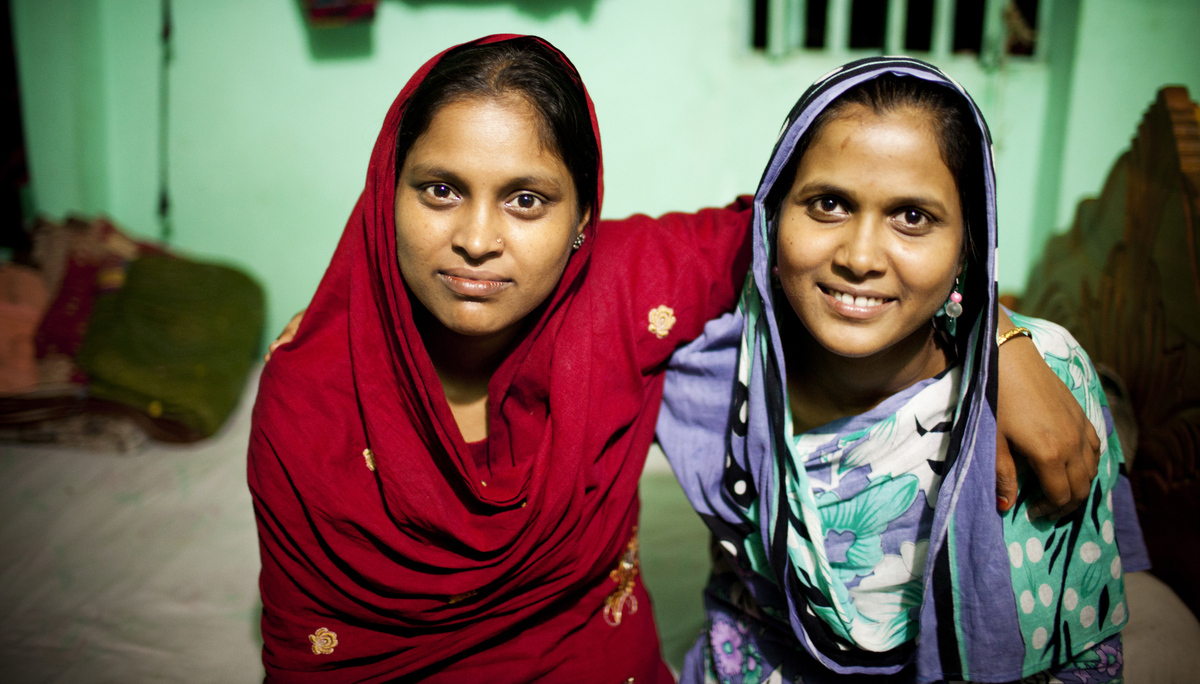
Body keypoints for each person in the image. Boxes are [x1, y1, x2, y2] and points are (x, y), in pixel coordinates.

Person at [253, 38, 1101, 682]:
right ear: (383, 195)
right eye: (440, 188)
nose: (478, 239)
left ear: (585, 215)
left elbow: (808, 239)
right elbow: (306, 650)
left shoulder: (621, 289)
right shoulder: (308, 394)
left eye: (527, 199)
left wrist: (996, 333)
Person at [656, 57, 1150, 683]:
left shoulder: (1038, 382)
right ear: (774, 214)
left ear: (970, 242)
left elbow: (1076, 649)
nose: (860, 257)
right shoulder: (720, 366)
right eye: (829, 204)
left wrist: (1001, 340)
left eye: (912, 217)